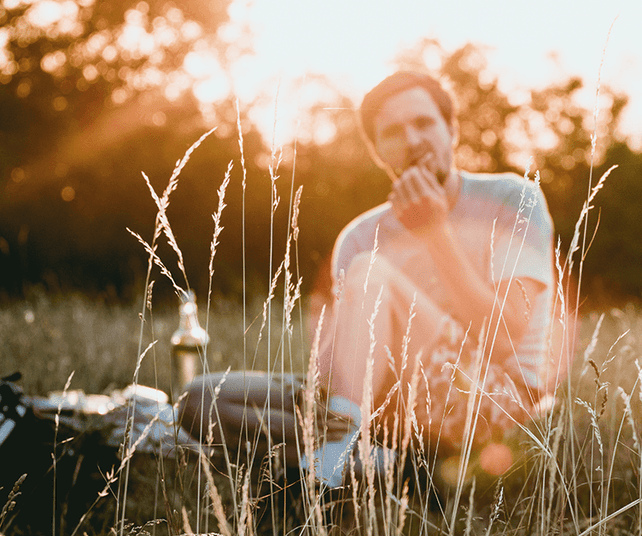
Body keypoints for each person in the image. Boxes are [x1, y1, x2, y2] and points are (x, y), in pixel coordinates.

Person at [180, 71, 556, 487]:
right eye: (393, 133)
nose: (412, 141)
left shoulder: (511, 198)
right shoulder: (361, 235)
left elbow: (508, 333)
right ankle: (376, 462)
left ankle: (327, 470)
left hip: (494, 401)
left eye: (425, 123)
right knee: (201, 400)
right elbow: (339, 366)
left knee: (371, 272)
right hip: (380, 407)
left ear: (452, 130)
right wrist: (315, 393)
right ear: (379, 153)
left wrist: (433, 233)